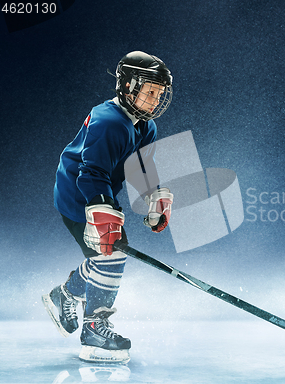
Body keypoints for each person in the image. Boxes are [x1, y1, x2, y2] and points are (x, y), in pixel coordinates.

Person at [42, 51, 174, 364]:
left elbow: (141, 167)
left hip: (97, 192)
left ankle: (64, 296)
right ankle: (93, 332)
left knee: (110, 254)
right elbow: (91, 173)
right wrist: (99, 213)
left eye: (159, 93)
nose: (155, 100)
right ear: (128, 86)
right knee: (111, 255)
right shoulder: (108, 122)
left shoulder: (144, 126)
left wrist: (153, 197)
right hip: (78, 194)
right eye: (149, 91)